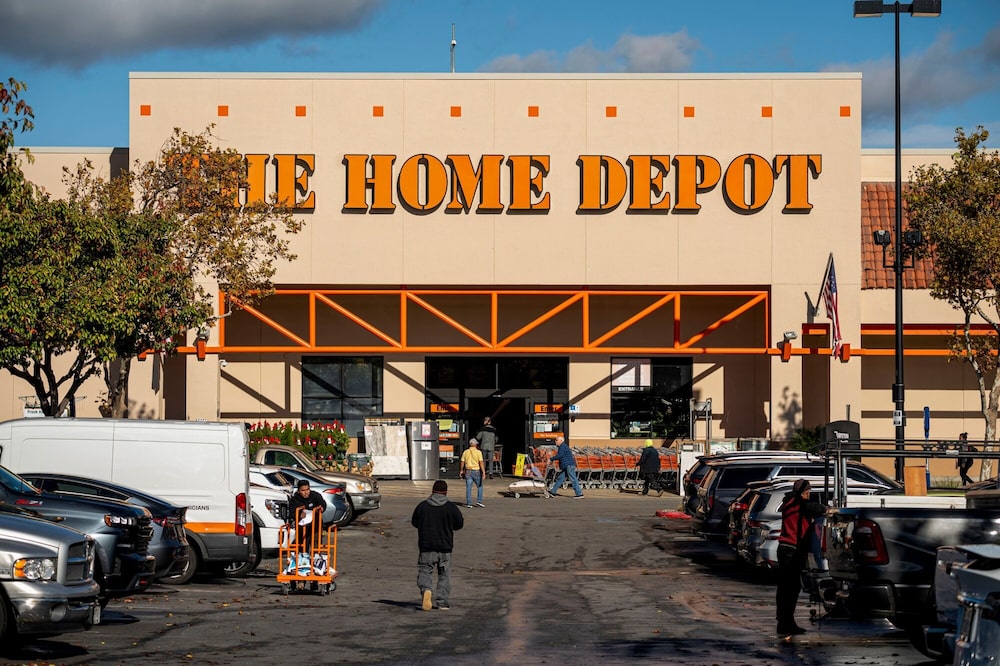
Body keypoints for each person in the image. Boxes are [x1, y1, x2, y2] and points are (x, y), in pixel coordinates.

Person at [775, 478, 825, 637]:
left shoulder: (788, 502)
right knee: (791, 588)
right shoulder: (801, 504)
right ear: (806, 491)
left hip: (784, 549)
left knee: (786, 588)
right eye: (808, 492)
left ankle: (786, 622)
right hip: (792, 550)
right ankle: (785, 624)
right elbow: (818, 509)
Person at [411, 479, 464, 611]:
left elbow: (414, 522)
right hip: (445, 547)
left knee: (425, 571)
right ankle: (442, 602)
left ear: (432, 491)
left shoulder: (422, 506)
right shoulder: (451, 507)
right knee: (444, 575)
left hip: (426, 546)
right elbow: (459, 524)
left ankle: (426, 590)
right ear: (446, 492)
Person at [287, 478, 327, 548]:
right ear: (298, 491)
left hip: (316, 525)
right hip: (302, 527)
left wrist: (322, 508)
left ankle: (316, 557)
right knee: (303, 546)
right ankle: (303, 556)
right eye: (303, 490)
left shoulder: (315, 495)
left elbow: (323, 504)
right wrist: (299, 515)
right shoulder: (294, 500)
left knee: (316, 544)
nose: (306, 492)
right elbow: (291, 513)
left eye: (307, 490)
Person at [459, 438, 486, 508]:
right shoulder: (478, 452)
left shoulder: (465, 452)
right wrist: (483, 472)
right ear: (475, 444)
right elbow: (481, 462)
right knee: (479, 486)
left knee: (468, 487)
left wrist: (461, 470)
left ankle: (469, 503)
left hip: (468, 471)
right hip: (476, 471)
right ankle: (479, 501)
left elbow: (462, 461)